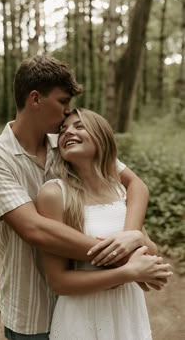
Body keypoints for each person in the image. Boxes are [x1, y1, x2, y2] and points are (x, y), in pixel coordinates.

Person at [0, 55, 162, 340]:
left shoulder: (66, 146)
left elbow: (135, 184)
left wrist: (133, 236)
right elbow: (35, 229)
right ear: (35, 99)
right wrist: (125, 260)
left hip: (97, 303)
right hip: (34, 309)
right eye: (62, 102)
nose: (67, 113)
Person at [37, 108, 172, 340]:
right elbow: (59, 282)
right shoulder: (54, 193)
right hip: (83, 315)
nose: (68, 132)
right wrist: (128, 273)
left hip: (128, 310)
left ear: (101, 136)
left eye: (79, 126)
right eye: (62, 129)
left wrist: (138, 238)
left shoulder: (120, 190)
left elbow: (150, 253)